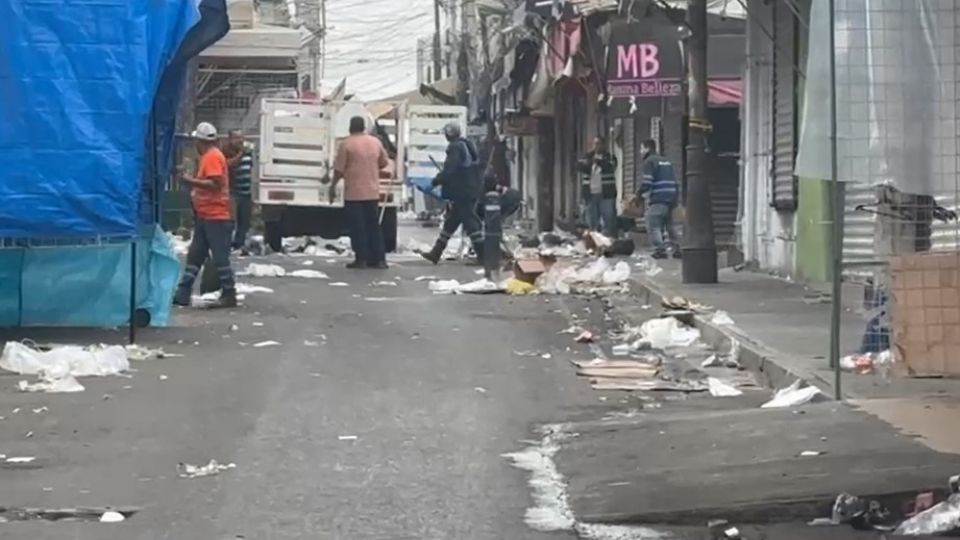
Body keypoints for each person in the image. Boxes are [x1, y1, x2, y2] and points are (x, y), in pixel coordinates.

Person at [174, 122, 238, 308]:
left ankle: (229, 293)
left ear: (199, 141)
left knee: (219, 258)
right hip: (207, 215)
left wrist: (190, 181)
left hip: (216, 215)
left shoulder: (212, 157)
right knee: (196, 255)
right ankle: (183, 292)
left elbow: (215, 183)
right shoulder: (211, 156)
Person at [418, 123, 484, 265]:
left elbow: (450, 171)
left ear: (449, 134)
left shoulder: (455, 147)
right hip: (470, 189)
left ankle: (484, 256)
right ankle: (436, 252)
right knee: (451, 222)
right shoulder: (467, 145)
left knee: (471, 223)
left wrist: (434, 182)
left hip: (462, 191)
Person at [331, 116, 390, 269]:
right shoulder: (375, 142)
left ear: (350, 127)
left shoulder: (347, 144)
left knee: (358, 227)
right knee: (373, 226)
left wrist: (332, 187)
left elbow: (339, 170)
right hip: (372, 192)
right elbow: (384, 163)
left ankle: (361, 259)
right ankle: (379, 259)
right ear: (363, 127)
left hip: (354, 194)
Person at [635, 138, 681, 259]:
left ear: (647, 149)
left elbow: (647, 182)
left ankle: (660, 250)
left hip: (659, 197)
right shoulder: (666, 160)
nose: (640, 152)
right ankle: (678, 249)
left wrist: (638, 194)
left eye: (641, 149)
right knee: (670, 226)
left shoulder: (649, 161)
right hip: (671, 197)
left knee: (653, 224)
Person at [578, 137, 619, 238]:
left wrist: (599, 161)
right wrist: (590, 161)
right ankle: (593, 240)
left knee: (608, 218)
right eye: (595, 144)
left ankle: (607, 239)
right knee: (591, 219)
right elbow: (580, 167)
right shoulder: (587, 157)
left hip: (606, 194)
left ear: (604, 145)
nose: (596, 146)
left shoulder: (610, 157)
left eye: (599, 144)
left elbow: (610, 167)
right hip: (590, 193)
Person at [225, 129, 254, 252]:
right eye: (237, 138)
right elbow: (228, 165)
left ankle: (239, 244)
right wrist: (240, 154)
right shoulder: (226, 151)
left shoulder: (248, 152)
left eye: (242, 137)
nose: (240, 141)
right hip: (233, 191)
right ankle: (226, 243)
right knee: (231, 220)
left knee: (244, 220)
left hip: (246, 192)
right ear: (230, 139)